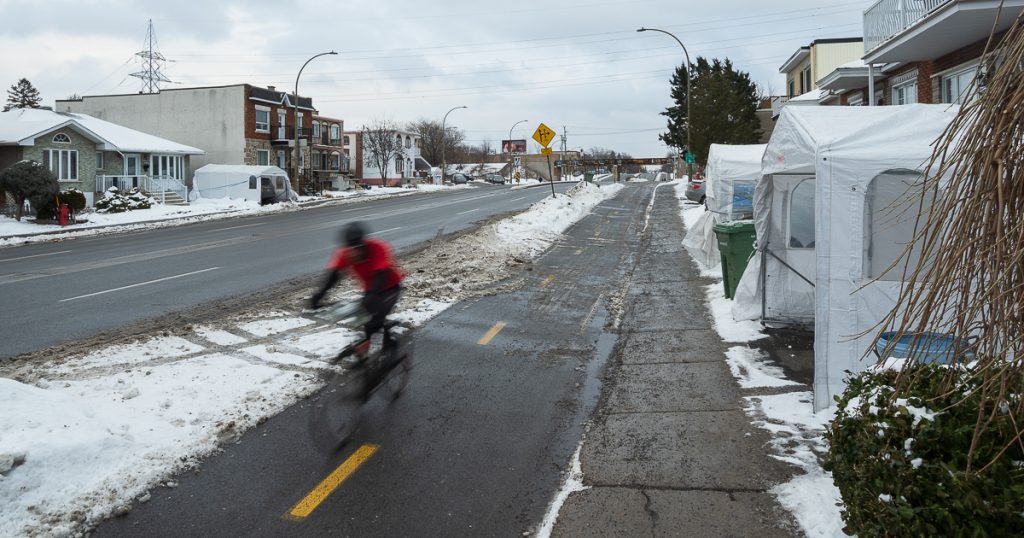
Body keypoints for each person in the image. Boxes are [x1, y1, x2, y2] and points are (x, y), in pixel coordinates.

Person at [310, 222, 404, 358]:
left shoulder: (378, 247)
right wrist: (319, 295)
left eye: (358, 248)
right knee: (363, 321)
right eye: (350, 249)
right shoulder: (346, 253)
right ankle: (366, 361)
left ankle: (391, 345)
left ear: (364, 244)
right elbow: (334, 275)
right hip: (370, 290)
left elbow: (381, 274)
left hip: (390, 287)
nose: (354, 253)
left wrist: (372, 294)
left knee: (374, 321)